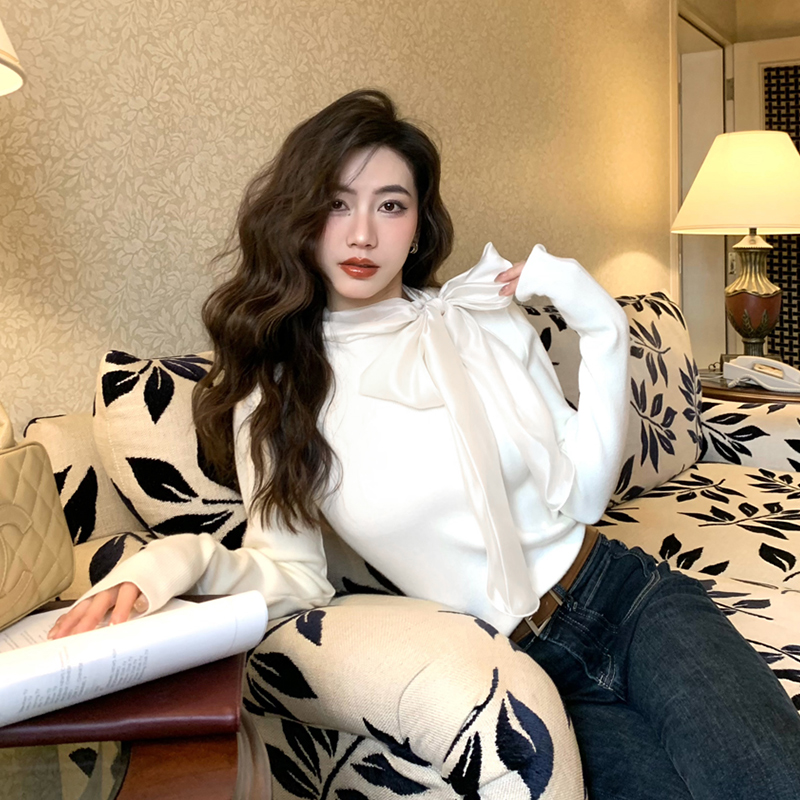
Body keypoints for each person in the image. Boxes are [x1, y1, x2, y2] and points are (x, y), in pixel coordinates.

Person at [50, 90, 800, 799]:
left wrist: (601, 322)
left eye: (390, 205)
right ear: (299, 219)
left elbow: (585, 492)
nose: (362, 234)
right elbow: (293, 577)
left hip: (630, 600)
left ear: (418, 225)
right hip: (520, 669)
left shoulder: (479, 316)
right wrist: (177, 561)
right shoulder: (277, 394)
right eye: (335, 204)